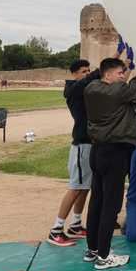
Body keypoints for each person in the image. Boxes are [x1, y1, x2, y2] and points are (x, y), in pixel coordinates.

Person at [83, 45, 136, 270]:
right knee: (111, 204)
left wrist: (126, 65)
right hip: (115, 153)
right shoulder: (117, 92)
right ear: (108, 74)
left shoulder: (91, 88)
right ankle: (104, 256)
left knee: (97, 201)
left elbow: (124, 84)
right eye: (120, 73)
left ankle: (93, 250)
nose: (123, 76)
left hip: (97, 152)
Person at [47, 38, 129, 247]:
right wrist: (115, 57)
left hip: (90, 145)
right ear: (75, 74)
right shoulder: (73, 90)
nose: (87, 74)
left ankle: (75, 224)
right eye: (83, 71)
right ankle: (56, 229)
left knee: (86, 188)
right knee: (76, 187)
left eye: (88, 70)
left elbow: (104, 80)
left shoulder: (88, 90)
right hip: (81, 144)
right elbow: (97, 77)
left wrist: (121, 64)